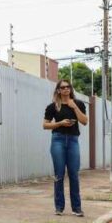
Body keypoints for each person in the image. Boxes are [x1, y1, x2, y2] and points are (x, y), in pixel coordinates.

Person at [43, 80, 88, 216]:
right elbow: (45, 125)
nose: (66, 89)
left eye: (68, 87)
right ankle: (59, 207)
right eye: (62, 87)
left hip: (73, 140)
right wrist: (60, 123)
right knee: (59, 174)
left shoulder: (78, 104)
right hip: (58, 140)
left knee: (74, 174)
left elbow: (84, 121)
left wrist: (74, 107)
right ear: (58, 90)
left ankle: (77, 208)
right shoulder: (53, 107)